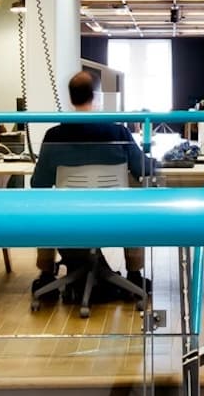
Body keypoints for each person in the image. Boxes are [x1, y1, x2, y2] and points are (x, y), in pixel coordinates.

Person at [31, 70, 150, 297]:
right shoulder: (118, 131)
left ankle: (46, 277)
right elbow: (143, 169)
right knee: (136, 196)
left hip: (67, 218)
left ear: (71, 98)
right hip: (115, 218)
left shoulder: (54, 135)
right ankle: (134, 275)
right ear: (96, 97)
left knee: (43, 201)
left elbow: (39, 183)